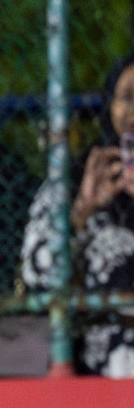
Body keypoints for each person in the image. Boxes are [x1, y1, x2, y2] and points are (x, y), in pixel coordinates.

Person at [20, 52, 134, 378]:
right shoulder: (73, 180)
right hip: (96, 370)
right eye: (127, 98)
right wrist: (82, 212)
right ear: (109, 106)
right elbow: (36, 276)